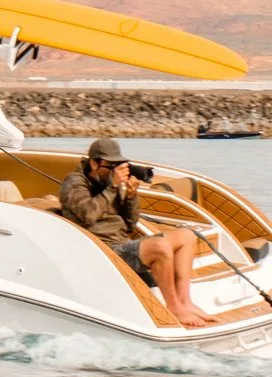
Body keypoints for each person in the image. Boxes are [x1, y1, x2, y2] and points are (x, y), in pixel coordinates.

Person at [59, 138, 211, 327]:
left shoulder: (107, 183)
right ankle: (174, 308)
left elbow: (130, 224)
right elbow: (88, 215)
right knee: (159, 247)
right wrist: (113, 187)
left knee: (186, 236)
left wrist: (131, 197)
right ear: (94, 163)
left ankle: (184, 302)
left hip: (121, 243)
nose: (115, 170)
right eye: (110, 165)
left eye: (118, 165)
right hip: (100, 249)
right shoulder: (74, 184)